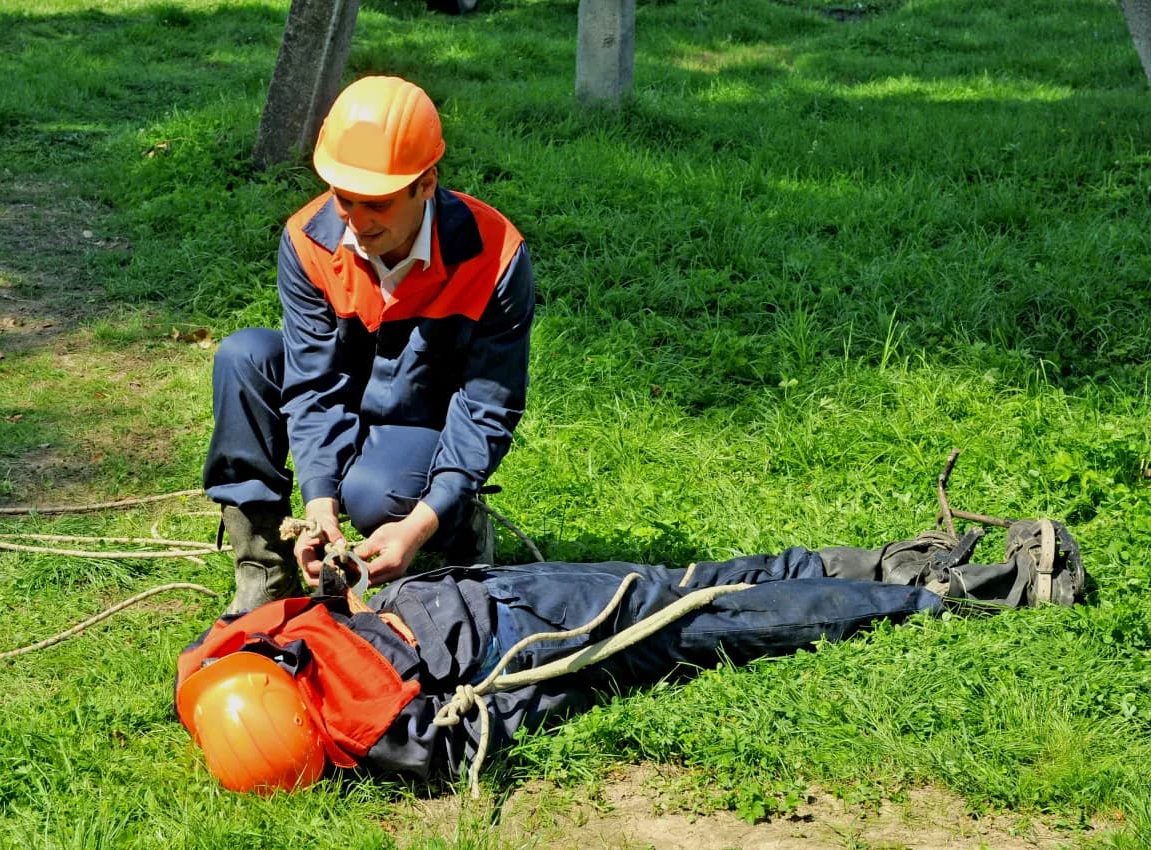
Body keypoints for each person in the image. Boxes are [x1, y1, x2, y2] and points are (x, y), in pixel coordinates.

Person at [174, 519, 1083, 792]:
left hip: (506, 617)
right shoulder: (234, 659)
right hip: (488, 606)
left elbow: (465, 738)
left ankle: (934, 586)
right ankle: (918, 578)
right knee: (695, 593)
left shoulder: (353, 727)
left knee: (705, 611)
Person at [202, 75, 535, 614]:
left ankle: (456, 518)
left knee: (375, 498)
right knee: (244, 357)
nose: (357, 223)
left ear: (426, 184)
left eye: (377, 203)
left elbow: (486, 408)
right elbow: (313, 384)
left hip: (419, 419)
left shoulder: (494, 254)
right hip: (345, 390)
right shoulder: (308, 239)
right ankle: (264, 568)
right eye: (344, 199)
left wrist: (420, 522)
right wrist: (318, 505)